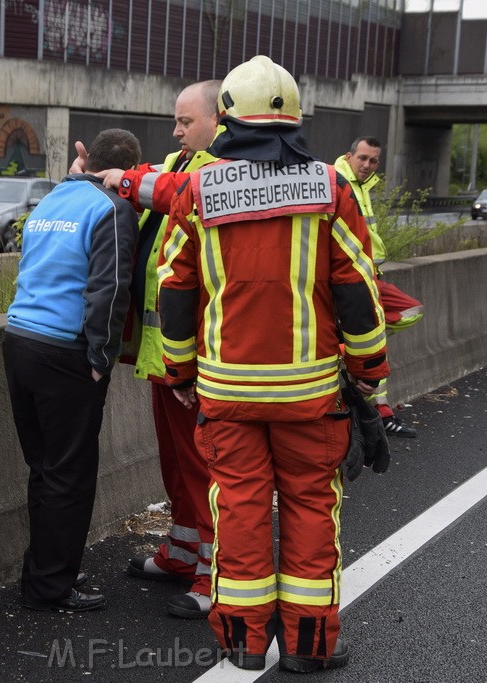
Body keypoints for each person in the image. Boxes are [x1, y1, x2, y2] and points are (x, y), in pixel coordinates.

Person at [107, 56, 389, 672]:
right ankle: (311, 648)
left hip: (226, 393)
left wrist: (179, 374)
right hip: (311, 396)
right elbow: (358, 291)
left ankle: (241, 643)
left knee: (237, 509)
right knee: (313, 509)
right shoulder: (330, 188)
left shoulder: (202, 191)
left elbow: (174, 287)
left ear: (228, 116)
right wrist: (369, 370)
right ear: (294, 116)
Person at [70, 81, 222, 620]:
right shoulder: (180, 161)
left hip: (200, 356)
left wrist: (129, 178)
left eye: (185, 121)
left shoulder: (219, 167)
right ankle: (182, 551)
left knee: (207, 468)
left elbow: (170, 189)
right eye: (176, 122)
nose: (176, 130)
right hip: (165, 353)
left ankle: (215, 574)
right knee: (177, 460)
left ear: (218, 118)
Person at [2, 128, 141, 613]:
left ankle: (46, 569)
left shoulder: (54, 199)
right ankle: (50, 587)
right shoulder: (113, 210)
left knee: (44, 469)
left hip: (19, 339)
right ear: (124, 171)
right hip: (65, 351)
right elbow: (110, 289)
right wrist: (101, 359)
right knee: (70, 475)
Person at [335, 137, 423, 437]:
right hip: (354, 278)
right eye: (362, 158)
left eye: (373, 161)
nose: (367, 165)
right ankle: (379, 413)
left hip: (372, 275)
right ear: (349, 155)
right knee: (373, 341)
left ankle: (348, 354)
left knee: (410, 311)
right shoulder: (339, 183)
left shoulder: (363, 186)